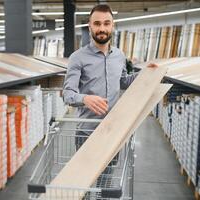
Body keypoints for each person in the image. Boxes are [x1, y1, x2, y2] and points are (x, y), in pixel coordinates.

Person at [63, 3, 158, 191]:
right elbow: (67, 94)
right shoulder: (77, 57)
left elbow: (122, 81)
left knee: (106, 181)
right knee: (85, 183)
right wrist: (84, 99)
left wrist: (145, 74)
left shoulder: (120, 56)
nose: (102, 28)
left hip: (113, 130)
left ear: (113, 26)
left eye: (106, 23)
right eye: (97, 24)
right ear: (90, 26)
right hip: (87, 132)